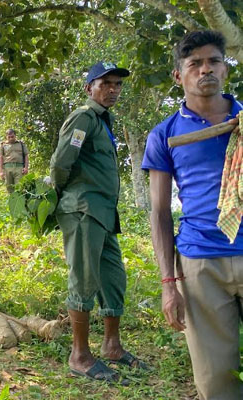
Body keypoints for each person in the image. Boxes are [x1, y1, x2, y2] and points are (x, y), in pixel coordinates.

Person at [143, 30, 243, 399]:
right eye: (195, 64)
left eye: (214, 61)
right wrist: (169, 284)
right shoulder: (166, 134)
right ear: (178, 75)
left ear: (225, 70)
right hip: (200, 263)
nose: (206, 70)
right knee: (216, 379)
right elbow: (158, 212)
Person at [50, 61, 145, 384]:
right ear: (89, 87)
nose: (113, 90)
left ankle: (112, 346)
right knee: (84, 279)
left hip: (103, 213)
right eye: (105, 84)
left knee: (113, 277)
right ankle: (79, 355)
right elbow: (61, 163)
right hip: (83, 209)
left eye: (117, 85)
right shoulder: (84, 118)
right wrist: (66, 199)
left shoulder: (105, 121)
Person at [0, 129, 29, 193]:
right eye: (9, 137)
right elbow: (0, 157)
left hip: (19, 167)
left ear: (15, 136)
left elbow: (26, 156)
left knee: (20, 187)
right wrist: (1, 171)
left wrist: (26, 168)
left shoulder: (21, 144)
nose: (11, 138)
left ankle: (21, 202)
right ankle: (12, 201)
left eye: (12, 137)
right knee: (9, 188)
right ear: (6, 137)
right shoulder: (3, 145)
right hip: (7, 168)